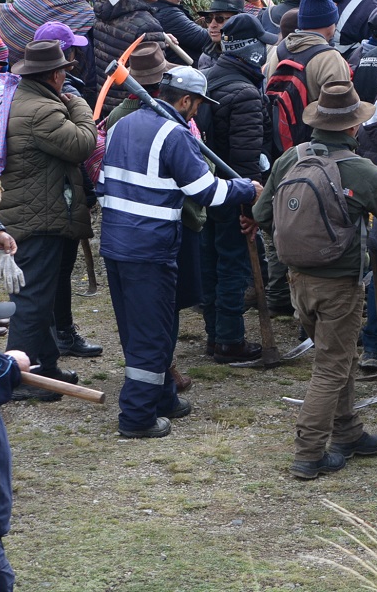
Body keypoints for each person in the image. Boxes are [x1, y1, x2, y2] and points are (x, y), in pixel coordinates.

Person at [253, 81, 377, 479]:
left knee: (340, 357)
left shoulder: (290, 159)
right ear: (354, 127)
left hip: (297, 279)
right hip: (340, 285)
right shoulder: (359, 169)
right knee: (331, 364)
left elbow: (260, 214)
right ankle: (309, 452)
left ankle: (348, 432)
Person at [99, 65, 260, 437]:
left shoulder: (121, 125)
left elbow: (104, 184)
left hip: (116, 242)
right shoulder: (174, 134)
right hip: (150, 248)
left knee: (138, 326)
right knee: (152, 333)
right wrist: (247, 189)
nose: (198, 111)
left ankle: (163, 396)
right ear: (185, 100)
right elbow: (207, 192)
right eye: (198, 104)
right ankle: (137, 417)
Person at [0, 40, 100, 398]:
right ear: (56, 75)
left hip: (35, 211)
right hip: (38, 216)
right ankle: (22, 379)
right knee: (33, 299)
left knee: (43, 294)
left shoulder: (24, 100)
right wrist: (82, 107)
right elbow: (82, 144)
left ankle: (45, 366)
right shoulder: (42, 110)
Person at [196, 15, 274, 363]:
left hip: (204, 189)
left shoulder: (208, 79)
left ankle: (215, 335)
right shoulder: (244, 94)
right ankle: (229, 340)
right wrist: (250, 209)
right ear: (250, 48)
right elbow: (244, 160)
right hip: (231, 193)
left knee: (211, 260)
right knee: (232, 264)